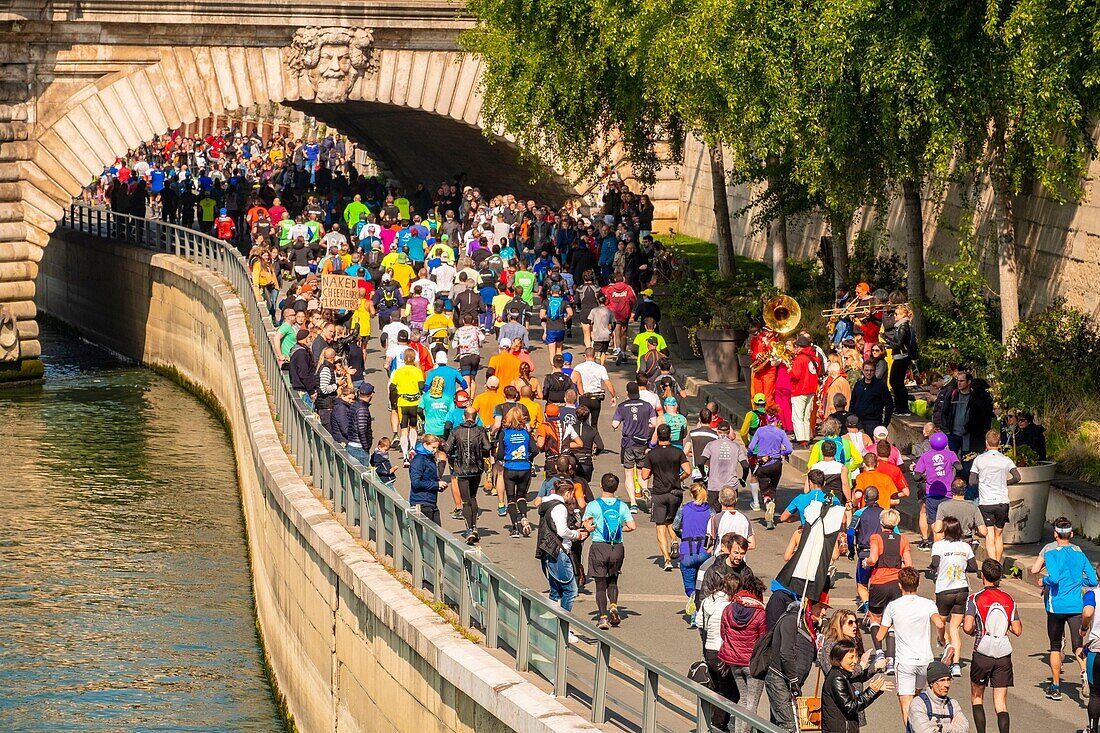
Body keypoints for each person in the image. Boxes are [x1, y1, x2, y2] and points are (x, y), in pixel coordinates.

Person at [1031, 516, 1097, 701]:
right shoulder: (1079, 553)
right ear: (1072, 534)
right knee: (1078, 646)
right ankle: (1085, 673)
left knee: (1055, 646)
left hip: (1056, 606)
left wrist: (1043, 580)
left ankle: (1055, 686)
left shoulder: (1050, 552)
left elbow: (1053, 578)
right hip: (1076, 606)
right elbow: (1092, 581)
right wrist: (1078, 581)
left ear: (1054, 534)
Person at [877, 567, 945, 726]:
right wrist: (940, 638)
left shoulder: (893, 607)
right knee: (918, 699)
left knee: (906, 702)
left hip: (905, 662)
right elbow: (940, 623)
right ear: (918, 583)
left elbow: (880, 635)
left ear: (899, 585)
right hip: (925, 661)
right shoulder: (928, 604)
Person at [965, 559, 1022, 733]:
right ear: (998, 578)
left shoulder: (975, 598)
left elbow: (967, 627)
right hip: (1003, 655)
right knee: (1001, 703)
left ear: (982, 576)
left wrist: (975, 629)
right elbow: (1017, 630)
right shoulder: (1008, 599)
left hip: (982, 652)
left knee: (977, 697)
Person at [766, 598, 831, 731]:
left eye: (825, 608)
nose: (823, 612)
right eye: (820, 607)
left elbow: (806, 654)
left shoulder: (809, 626)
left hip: (791, 682)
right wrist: (794, 681)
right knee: (790, 725)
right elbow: (785, 652)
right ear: (809, 605)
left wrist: (817, 647)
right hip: (779, 679)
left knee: (776, 724)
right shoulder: (791, 620)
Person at [583, 473, 636, 630]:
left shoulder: (593, 505)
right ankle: (613, 605)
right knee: (613, 580)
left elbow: (587, 524)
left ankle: (603, 617)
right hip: (617, 548)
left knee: (600, 585)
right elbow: (632, 526)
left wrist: (589, 528)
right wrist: (621, 528)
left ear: (601, 485)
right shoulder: (622, 506)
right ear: (616, 487)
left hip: (599, 546)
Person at [819, 609, 886, 731]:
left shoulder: (852, 643)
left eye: (856, 622)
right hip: (842, 711)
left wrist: (874, 668)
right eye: (850, 623)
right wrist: (862, 665)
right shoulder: (831, 646)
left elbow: (857, 675)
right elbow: (836, 673)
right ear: (839, 624)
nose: (855, 625)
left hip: (854, 704)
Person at [535, 478, 587, 636]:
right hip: (559, 553)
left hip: (548, 551)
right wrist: (577, 534)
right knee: (570, 590)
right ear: (568, 493)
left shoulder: (547, 504)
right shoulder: (560, 507)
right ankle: (562, 627)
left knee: (555, 591)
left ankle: (549, 625)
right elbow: (562, 531)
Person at [718, 572, 767, 733]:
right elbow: (763, 641)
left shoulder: (728, 609)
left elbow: (723, 634)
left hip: (733, 662)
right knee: (752, 702)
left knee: (743, 698)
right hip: (752, 664)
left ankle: (738, 730)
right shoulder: (760, 614)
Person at [865, 509, 913, 673]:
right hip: (896, 583)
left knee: (875, 618)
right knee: (892, 621)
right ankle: (891, 660)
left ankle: (879, 653)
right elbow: (908, 564)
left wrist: (865, 562)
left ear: (881, 522)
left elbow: (873, 559)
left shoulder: (876, 538)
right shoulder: (903, 539)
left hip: (879, 582)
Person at [639, 423, 691, 571]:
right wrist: (678, 479)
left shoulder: (652, 454)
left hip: (659, 494)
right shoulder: (677, 452)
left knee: (660, 525)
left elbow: (644, 475)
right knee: (672, 520)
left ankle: (667, 559)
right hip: (675, 493)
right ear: (670, 436)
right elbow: (687, 470)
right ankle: (675, 540)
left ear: (658, 436)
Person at [931, 517, 978, 678]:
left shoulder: (938, 545)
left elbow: (935, 562)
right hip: (962, 589)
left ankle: (943, 643)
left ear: (945, 531)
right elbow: (973, 567)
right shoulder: (966, 546)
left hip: (944, 589)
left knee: (940, 622)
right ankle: (956, 664)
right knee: (955, 628)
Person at [699, 572, 742, 732]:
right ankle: (718, 725)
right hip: (722, 652)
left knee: (717, 689)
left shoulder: (707, 601)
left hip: (709, 650)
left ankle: (714, 721)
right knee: (730, 692)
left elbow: (698, 622)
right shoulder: (727, 606)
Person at [970, 430, 1022, 563]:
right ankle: (998, 565)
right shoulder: (1006, 460)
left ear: (986, 443)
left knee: (989, 535)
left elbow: (971, 481)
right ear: (999, 444)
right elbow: (1017, 477)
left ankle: (992, 566)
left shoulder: (979, 460)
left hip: (986, 502)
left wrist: (982, 482)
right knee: (999, 535)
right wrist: (1005, 482)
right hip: (1002, 502)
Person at [442, 406, 492, 544]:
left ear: (464, 417)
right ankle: (474, 526)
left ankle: (469, 529)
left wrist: (444, 444)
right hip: (477, 469)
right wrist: (480, 454)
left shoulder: (456, 431)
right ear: (475, 417)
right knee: (473, 497)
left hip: (461, 469)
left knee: (465, 500)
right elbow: (488, 448)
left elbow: (447, 448)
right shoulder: (480, 430)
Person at [821, 638, 890, 733]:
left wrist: (875, 691)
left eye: (856, 656)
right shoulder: (837, 678)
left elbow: (854, 703)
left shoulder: (843, 675)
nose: (855, 661)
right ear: (838, 658)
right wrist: (871, 691)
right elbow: (850, 706)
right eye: (851, 657)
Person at [913, 429, 962, 547]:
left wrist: (923, 478)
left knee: (935, 524)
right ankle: (949, 546)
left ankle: (938, 550)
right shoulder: (950, 454)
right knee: (948, 522)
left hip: (931, 495)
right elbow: (959, 467)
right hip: (948, 495)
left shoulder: (925, 456)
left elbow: (916, 476)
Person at [612, 382, 656, 512]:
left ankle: (633, 503)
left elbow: (614, 424)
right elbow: (654, 423)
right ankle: (645, 489)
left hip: (628, 444)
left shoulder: (622, 406)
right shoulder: (647, 406)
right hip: (642, 443)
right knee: (642, 471)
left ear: (627, 393)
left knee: (629, 473)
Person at [747, 407, 793, 529]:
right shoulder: (781, 432)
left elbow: (751, 448)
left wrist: (751, 455)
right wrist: (779, 453)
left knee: (764, 490)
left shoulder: (760, 431)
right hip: (776, 464)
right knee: (772, 487)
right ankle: (771, 508)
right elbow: (789, 449)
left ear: (766, 420)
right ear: (777, 420)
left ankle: (768, 504)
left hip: (763, 463)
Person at [497, 406, 539, 538]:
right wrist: (528, 458)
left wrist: (502, 458)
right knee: (521, 496)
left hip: (510, 468)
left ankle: (514, 528)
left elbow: (500, 454)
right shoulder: (526, 433)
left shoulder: (504, 433)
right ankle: (524, 517)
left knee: (511, 498)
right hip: (524, 467)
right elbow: (536, 450)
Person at [673, 483, 714, 610]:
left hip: (687, 551)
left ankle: (692, 597)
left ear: (691, 495)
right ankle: (699, 609)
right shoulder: (710, 511)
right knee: (704, 584)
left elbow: (675, 526)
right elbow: (714, 530)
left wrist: (683, 535)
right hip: (704, 551)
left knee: (690, 584)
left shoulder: (683, 509)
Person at [700, 419, 750, 513]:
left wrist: (704, 476)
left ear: (717, 431)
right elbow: (745, 466)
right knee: (728, 513)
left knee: (713, 515)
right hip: (730, 487)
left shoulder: (711, 445)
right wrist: (743, 479)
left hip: (714, 486)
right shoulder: (736, 446)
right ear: (728, 432)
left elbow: (700, 462)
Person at [905, 661, 970, 733]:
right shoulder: (918, 704)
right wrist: (953, 727)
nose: (947, 685)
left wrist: (942, 728)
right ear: (931, 683)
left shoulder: (953, 704)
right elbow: (924, 731)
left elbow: (965, 727)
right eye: (942, 680)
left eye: (948, 680)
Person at [934, 477, 988, 544]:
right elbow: (984, 532)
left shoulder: (942, 506)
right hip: (967, 542)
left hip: (949, 542)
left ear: (951, 490)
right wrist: (977, 533)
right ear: (965, 491)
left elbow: (937, 529)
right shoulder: (973, 507)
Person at [408, 434, 446, 525]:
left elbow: (429, 478)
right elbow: (416, 483)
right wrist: (436, 485)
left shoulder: (430, 458)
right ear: (425, 445)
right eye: (433, 447)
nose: (435, 450)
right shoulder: (419, 460)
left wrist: (438, 486)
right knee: (429, 535)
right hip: (421, 502)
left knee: (438, 532)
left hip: (431, 501)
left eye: (436, 448)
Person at [850, 360, 893, 436]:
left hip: (874, 423)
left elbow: (889, 404)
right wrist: (852, 420)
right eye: (866, 370)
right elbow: (853, 403)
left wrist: (885, 423)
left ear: (875, 371)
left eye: (871, 370)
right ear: (862, 370)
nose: (869, 373)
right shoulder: (858, 385)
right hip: (858, 423)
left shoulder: (881, 386)